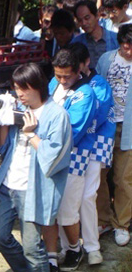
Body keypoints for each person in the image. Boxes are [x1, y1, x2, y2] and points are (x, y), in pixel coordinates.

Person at [0, 63, 72, 272]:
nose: (20, 94)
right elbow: (2, 148)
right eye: (17, 88)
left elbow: (53, 157)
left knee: (32, 248)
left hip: (33, 188)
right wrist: (4, 121)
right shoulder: (19, 109)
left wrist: (31, 133)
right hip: (7, 183)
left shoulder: (57, 115)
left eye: (24, 88)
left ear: (38, 86)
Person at [43, 49, 97, 271]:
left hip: (75, 155)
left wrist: (44, 133)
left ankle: (75, 247)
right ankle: (51, 254)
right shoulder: (52, 85)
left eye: (67, 76)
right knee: (48, 208)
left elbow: (74, 130)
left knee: (67, 210)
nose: (62, 80)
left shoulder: (85, 94)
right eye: (58, 75)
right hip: (47, 151)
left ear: (78, 71)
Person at [68, 42, 116, 265]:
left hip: (93, 143)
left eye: (77, 66)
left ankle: (92, 245)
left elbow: (98, 114)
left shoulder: (99, 84)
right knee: (70, 197)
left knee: (88, 195)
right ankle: (71, 244)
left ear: (86, 62)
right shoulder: (62, 82)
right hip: (72, 145)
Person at [96, 24, 132, 247]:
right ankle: (103, 219)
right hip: (105, 125)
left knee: (123, 179)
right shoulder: (106, 59)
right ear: (120, 43)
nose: (129, 50)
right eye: (126, 45)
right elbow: (97, 88)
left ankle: (122, 224)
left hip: (128, 128)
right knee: (99, 175)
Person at [73, 0, 119, 68]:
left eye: (87, 18)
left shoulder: (116, 40)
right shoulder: (76, 43)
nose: (84, 23)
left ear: (97, 15)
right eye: (80, 20)